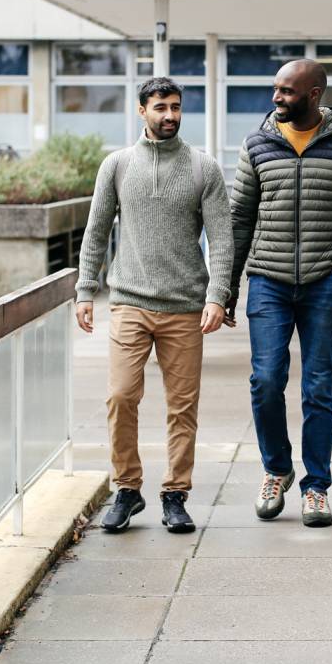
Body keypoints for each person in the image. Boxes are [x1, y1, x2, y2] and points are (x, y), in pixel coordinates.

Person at [75, 77, 233, 534]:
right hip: (129, 301)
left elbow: (222, 241)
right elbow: (96, 231)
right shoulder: (118, 166)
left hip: (185, 305)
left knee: (182, 406)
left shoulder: (204, 169)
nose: (170, 115)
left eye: (176, 107)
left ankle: (175, 494)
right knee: (122, 396)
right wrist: (87, 289)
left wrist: (217, 295)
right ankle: (127, 489)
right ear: (141, 111)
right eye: (160, 107)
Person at [226, 59, 332, 527]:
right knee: (266, 381)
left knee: (318, 388)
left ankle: (316, 487)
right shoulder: (257, 143)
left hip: (322, 284)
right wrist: (226, 289)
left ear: (314, 94)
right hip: (267, 281)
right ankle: (276, 469)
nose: (277, 98)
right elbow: (238, 220)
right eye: (275, 89)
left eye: (287, 91)